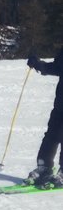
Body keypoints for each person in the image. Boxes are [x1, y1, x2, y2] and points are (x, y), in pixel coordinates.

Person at [25, 47, 63, 188]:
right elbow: (58, 67)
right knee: (52, 135)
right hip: (60, 103)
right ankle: (44, 167)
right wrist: (38, 64)